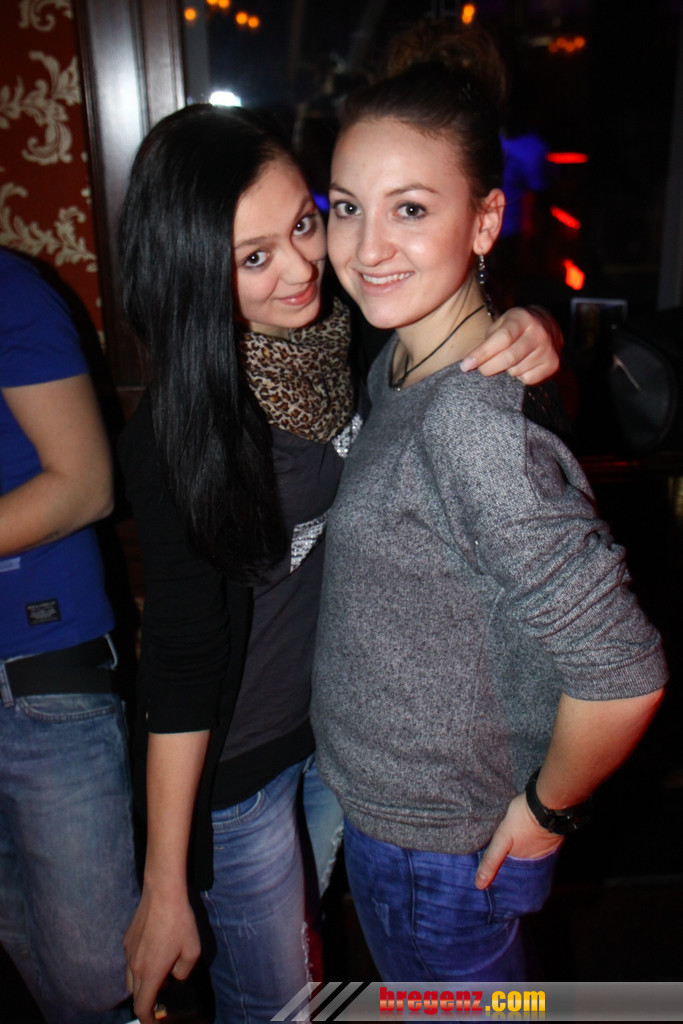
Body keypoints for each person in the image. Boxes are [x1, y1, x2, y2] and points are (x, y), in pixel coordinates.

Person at [116, 102, 562, 1023]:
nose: (301, 267)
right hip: (238, 761)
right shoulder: (176, 434)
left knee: (333, 964)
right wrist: (163, 882)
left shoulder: (355, 335)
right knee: (282, 1001)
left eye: (304, 224)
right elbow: (184, 663)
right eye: (252, 258)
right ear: (194, 274)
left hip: (339, 736)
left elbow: (455, 320)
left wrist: (530, 323)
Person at [311, 24, 667, 984]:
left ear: (483, 221)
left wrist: (546, 814)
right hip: (406, 827)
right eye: (346, 208)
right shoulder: (400, 360)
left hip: (438, 855)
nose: (366, 248)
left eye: (409, 209)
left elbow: (624, 671)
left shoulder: (467, 421)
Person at [0, 247, 138, 1024]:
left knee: (96, 980)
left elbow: (85, 485)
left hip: (38, 677)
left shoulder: (8, 291)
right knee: (29, 953)